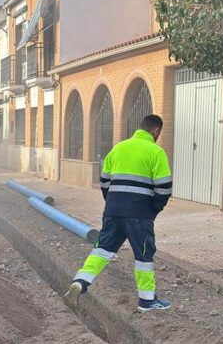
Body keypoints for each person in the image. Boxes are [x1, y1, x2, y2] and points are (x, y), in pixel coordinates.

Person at [65, 114, 173, 312]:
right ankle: (147, 300)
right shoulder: (156, 151)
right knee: (143, 255)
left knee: (103, 249)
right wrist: (153, 209)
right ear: (156, 131)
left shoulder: (118, 148)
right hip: (139, 214)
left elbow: (104, 181)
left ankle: (80, 281)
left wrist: (113, 203)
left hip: (113, 211)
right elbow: (164, 188)